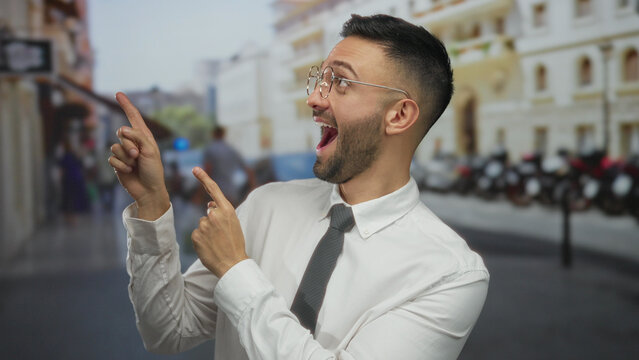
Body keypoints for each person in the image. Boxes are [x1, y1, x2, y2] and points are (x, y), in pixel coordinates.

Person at [108, 14, 489, 360]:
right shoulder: (265, 206)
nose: (314, 98)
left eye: (339, 81)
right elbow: (167, 332)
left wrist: (235, 269)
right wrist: (153, 203)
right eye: (320, 79)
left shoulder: (449, 273)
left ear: (400, 115)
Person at [202, 126, 256, 207]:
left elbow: (207, 171)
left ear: (213, 134)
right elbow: (248, 170)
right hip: (231, 192)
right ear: (223, 134)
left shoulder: (210, 150)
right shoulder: (232, 150)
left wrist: (200, 193)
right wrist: (253, 187)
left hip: (214, 192)